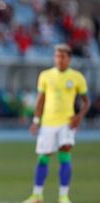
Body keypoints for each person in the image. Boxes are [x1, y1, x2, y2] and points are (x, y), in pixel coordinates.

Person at [23, 44, 90, 203]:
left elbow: (86, 102)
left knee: (65, 154)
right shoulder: (45, 75)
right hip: (47, 123)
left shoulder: (77, 77)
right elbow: (40, 100)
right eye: (57, 56)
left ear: (69, 59)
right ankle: (37, 195)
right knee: (43, 157)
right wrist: (36, 121)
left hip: (67, 122)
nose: (59, 60)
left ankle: (63, 196)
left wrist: (79, 117)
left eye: (63, 57)